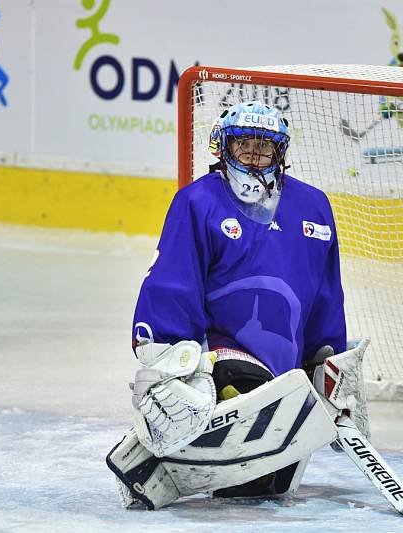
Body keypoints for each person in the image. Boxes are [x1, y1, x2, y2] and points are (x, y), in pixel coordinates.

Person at [107, 101, 370, 510]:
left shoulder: (314, 206)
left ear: (280, 152)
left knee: (266, 489)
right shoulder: (198, 202)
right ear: (222, 147)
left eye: (264, 147)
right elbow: (173, 282)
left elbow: (325, 292)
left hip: (285, 373)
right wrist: (169, 364)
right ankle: (163, 460)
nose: (252, 155)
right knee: (238, 387)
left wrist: (329, 366)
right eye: (242, 145)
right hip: (223, 360)